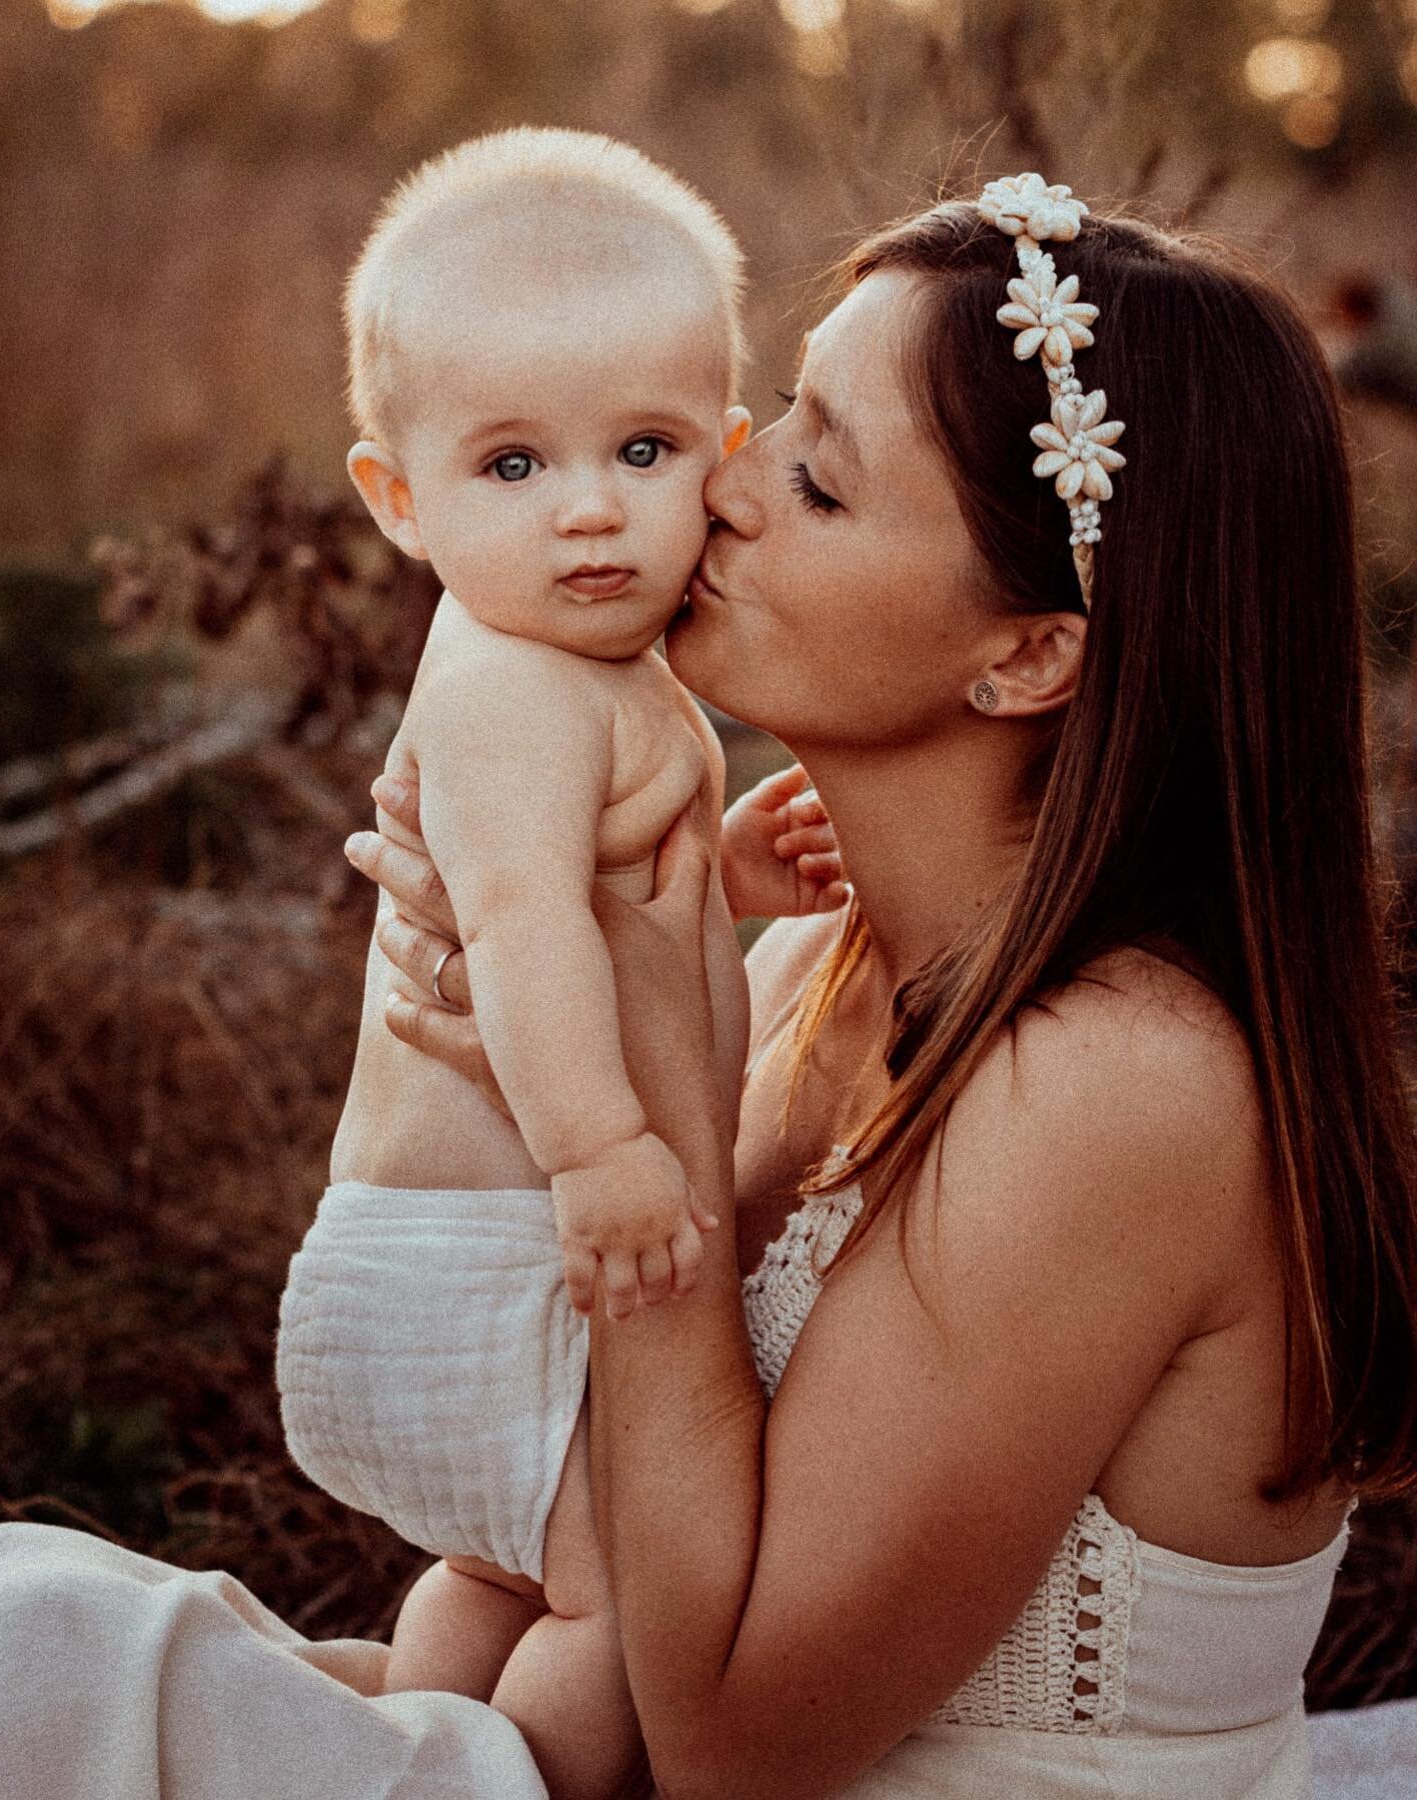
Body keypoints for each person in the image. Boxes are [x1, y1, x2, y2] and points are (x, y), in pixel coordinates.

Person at [338, 175, 1417, 1797]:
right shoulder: (795, 964)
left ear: (1030, 656)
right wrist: (507, 1036)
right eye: (771, 412)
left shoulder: (1120, 1084)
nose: (727, 481)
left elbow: (732, 1753)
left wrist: (655, 1127)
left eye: (822, 482)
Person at [272, 126, 841, 1800]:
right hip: (498, 1247)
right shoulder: (516, 686)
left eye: (644, 449)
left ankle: (402, 1757)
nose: (591, 509)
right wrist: (601, 1154)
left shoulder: (568, 660)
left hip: (441, 1257)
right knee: (620, 1606)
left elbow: (603, 900)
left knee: (498, 1572)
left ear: (723, 461)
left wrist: (722, 872)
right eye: (511, 465)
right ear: (399, 496)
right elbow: (519, 928)